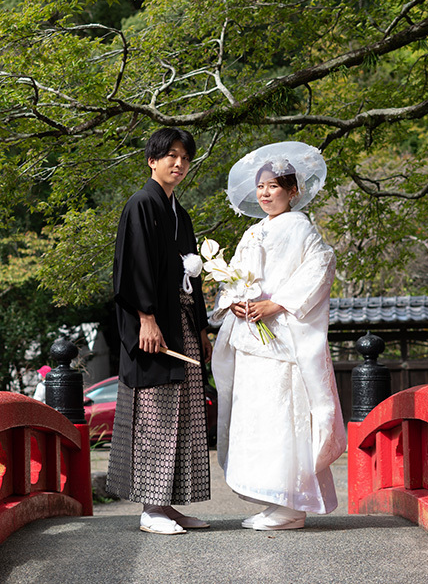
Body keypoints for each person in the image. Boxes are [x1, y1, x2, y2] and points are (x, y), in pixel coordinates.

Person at [210, 141, 345, 531]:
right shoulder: (252, 233)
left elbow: (321, 267)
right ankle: (273, 499)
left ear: (293, 191)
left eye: (274, 186)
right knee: (256, 416)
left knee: (283, 416)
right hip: (252, 337)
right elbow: (234, 276)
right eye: (261, 187)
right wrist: (234, 301)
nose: (266, 193)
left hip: (283, 337)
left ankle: (291, 504)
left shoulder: (303, 229)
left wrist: (278, 303)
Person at [105, 127, 214, 535]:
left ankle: (170, 506)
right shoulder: (141, 205)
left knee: (184, 414)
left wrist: (201, 328)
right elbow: (131, 269)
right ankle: (151, 508)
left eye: (185, 157)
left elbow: (192, 279)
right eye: (170, 155)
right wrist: (145, 318)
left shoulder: (179, 215)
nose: (179, 163)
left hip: (182, 322)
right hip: (153, 325)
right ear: (152, 160)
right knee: (156, 414)